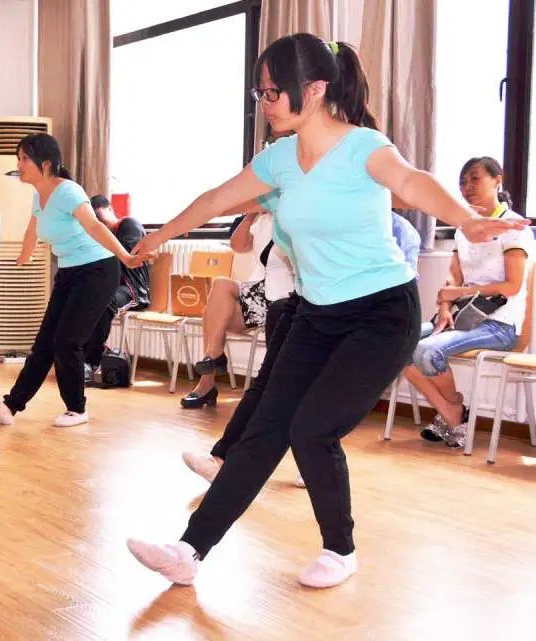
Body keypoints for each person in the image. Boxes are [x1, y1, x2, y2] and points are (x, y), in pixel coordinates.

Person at [125, 34, 525, 589]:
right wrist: (158, 236)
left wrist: (466, 219)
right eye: (260, 92)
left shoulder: (363, 147)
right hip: (318, 312)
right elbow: (216, 198)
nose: (264, 103)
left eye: (272, 92)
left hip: (382, 313)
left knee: (312, 429)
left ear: (313, 89)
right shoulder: (280, 159)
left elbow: (412, 182)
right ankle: (189, 551)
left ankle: (340, 549)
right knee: (265, 428)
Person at [182, 210, 423, 487]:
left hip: (355, 327)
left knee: (308, 405)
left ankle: (307, 464)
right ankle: (222, 460)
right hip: (309, 311)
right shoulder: (327, 218)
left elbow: (398, 295)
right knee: (267, 387)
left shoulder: (399, 230)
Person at [0, 134, 144, 428]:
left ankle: (77, 410)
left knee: (67, 341)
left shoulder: (68, 191)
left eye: (24, 159)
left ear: (45, 164)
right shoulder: (38, 196)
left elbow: (95, 226)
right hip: (69, 271)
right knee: (45, 342)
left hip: (97, 270)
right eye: (18, 158)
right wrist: (22, 258)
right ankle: (10, 406)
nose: (19, 165)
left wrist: (125, 256)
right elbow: (32, 230)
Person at [405, 157, 531, 448]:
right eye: (462, 182)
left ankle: (452, 414)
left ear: (497, 180)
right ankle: (452, 411)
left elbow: (512, 286)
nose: (467, 187)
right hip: (464, 316)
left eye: (475, 179)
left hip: (500, 324)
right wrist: (445, 307)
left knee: (426, 351)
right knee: (396, 344)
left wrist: (459, 293)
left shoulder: (513, 227)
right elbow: (453, 276)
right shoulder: (465, 228)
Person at [180, 191, 296, 409]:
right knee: (217, 299)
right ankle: (213, 359)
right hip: (256, 292)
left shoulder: (291, 219)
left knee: (217, 296)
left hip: (281, 299)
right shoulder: (262, 222)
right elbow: (238, 245)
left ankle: (208, 376)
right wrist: (250, 215)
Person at [83, 194, 150, 381]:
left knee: (105, 302)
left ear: (110, 209)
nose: (99, 223)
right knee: (81, 300)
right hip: (111, 288)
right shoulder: (100, 236)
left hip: (134, 291)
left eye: (100, 216)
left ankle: (91, 362)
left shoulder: (129, 225)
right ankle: (85, 354)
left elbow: (124, 256)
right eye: (94, 220)